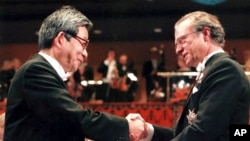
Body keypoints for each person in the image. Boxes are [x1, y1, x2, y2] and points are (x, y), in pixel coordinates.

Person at [3, 5, 147, 141]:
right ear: (60, 39)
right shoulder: (35, 70)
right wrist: (125, 126)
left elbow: (59, 127)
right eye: (83, 43)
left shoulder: (42, 70)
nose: (85, 54)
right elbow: (75, 118)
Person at [128, 11, 250, 141]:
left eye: (182, 40)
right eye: (176, 44)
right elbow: (185, 133)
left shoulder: (225, 69)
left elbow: (203, 132)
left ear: (205, 34)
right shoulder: (211, 69)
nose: (178, 50)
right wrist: (148, 131)